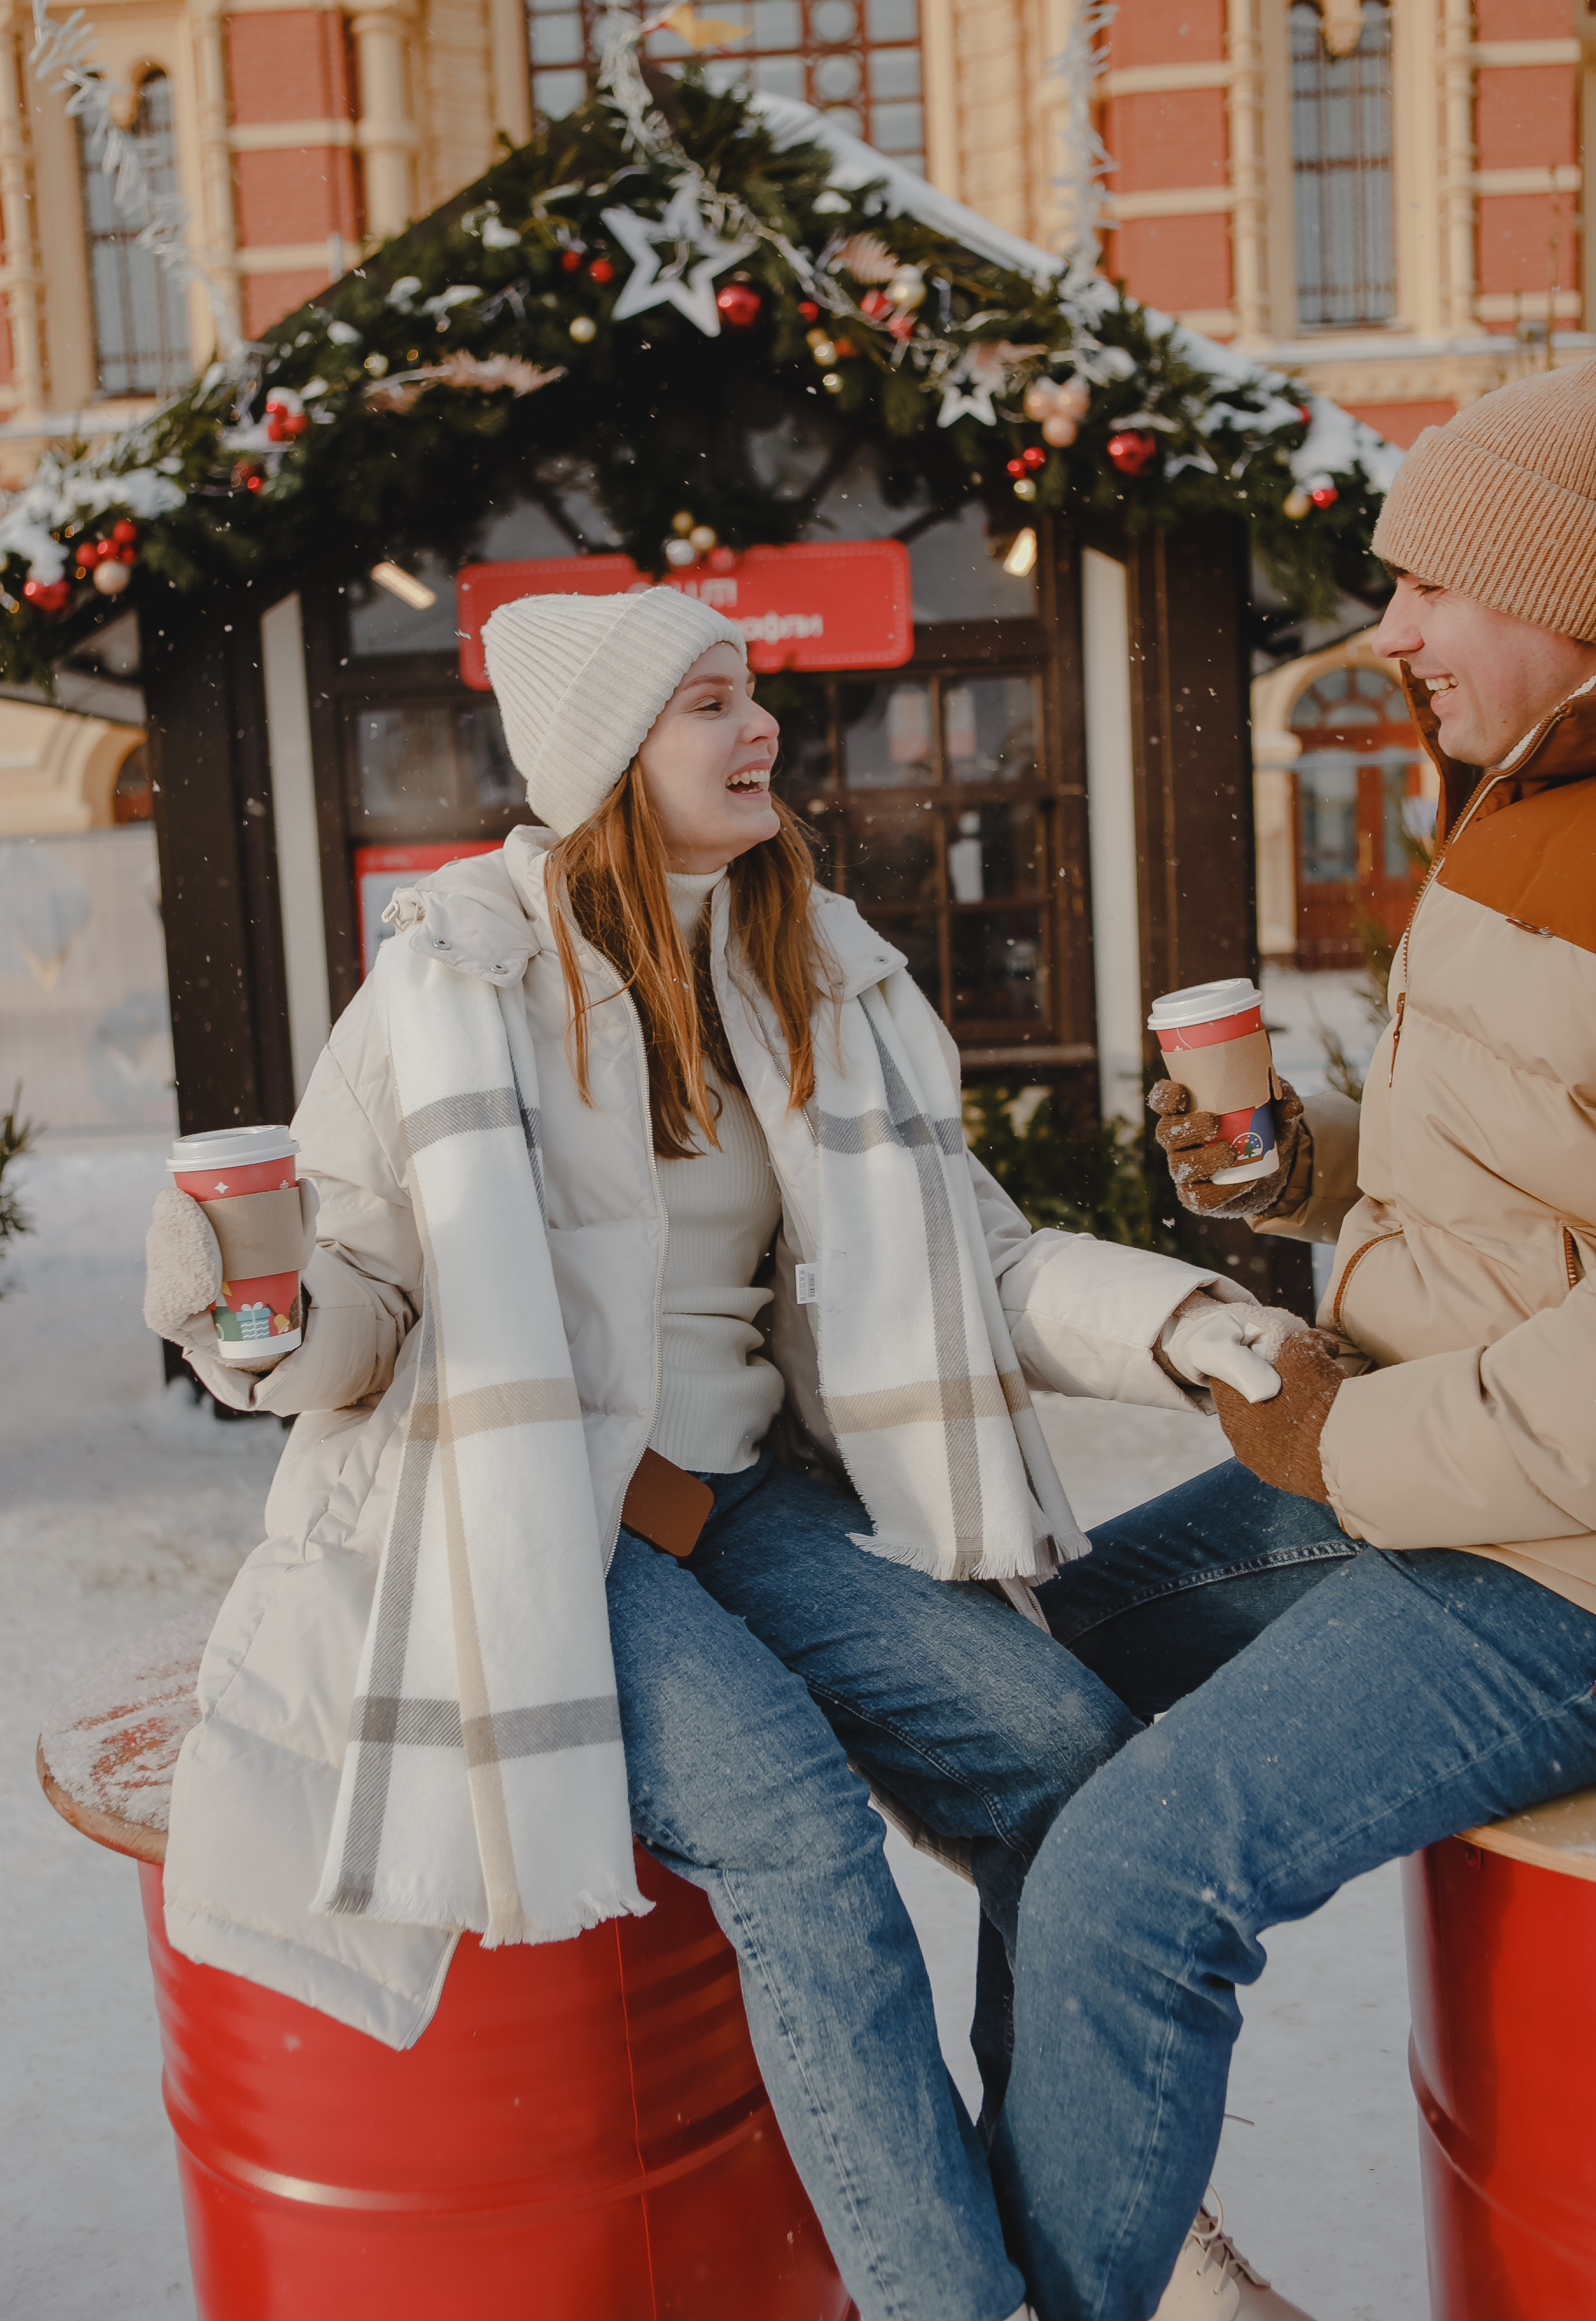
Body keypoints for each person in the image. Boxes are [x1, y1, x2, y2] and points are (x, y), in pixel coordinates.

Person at [143, 585, 1304, 2321]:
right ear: (611, 755)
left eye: (748, 690)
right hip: (535, 1509)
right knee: (788, 1820)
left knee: (1066, 1757)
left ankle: (1084, 2225)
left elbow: (967, 1257)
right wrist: (253, 1312)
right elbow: (362, 1303)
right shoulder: (453, 982)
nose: (755, 727)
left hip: (746, 1494)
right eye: (706, 702)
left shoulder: (814, 960)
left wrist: (1183, 1322)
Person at [990, 360, 1596, 2321]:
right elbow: (1522, 1199)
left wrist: (1343, 1448)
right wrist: (1297, 1173)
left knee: (1132, 1886)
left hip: (1554, 1564)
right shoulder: (1539, 794)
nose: (1391, 630)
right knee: (1006, 1682)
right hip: (1451, 1461)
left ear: (1564, 585)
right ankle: (1093, 2206)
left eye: (1431, 585)